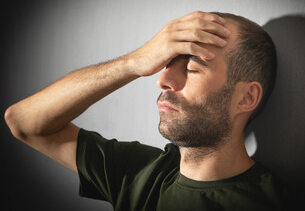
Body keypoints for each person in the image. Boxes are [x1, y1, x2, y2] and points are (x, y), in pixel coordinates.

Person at [5, 11, 288, 210]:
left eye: (192, 67)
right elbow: (22, 122)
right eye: (167, 63)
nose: (162, 80)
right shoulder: (140, 174)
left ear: (246, 98)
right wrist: (133, 62)